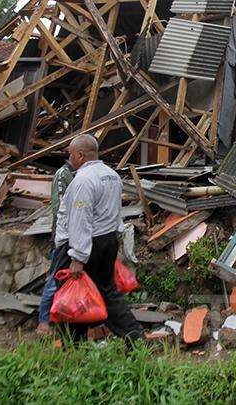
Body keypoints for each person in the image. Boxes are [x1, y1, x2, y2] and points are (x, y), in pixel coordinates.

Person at [53, 134, 143, 342]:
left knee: (71, 294)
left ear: (81, 155)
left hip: (87, 245)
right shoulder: (111, 175)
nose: (70, 158)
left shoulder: (83, 181)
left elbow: (80, 219)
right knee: (106, 292)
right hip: (107, 240)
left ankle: (74, 345)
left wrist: (78, 257)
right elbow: (114, 211)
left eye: (71, 154)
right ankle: (136, 337)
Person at [35, 162, 74, 335]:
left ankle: (63, 319)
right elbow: (60, 208)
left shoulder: (77, 174)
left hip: (73, 235)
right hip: (63, 236)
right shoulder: (63, 174)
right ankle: (44, 322)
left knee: (66, 279)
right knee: (55, 279)